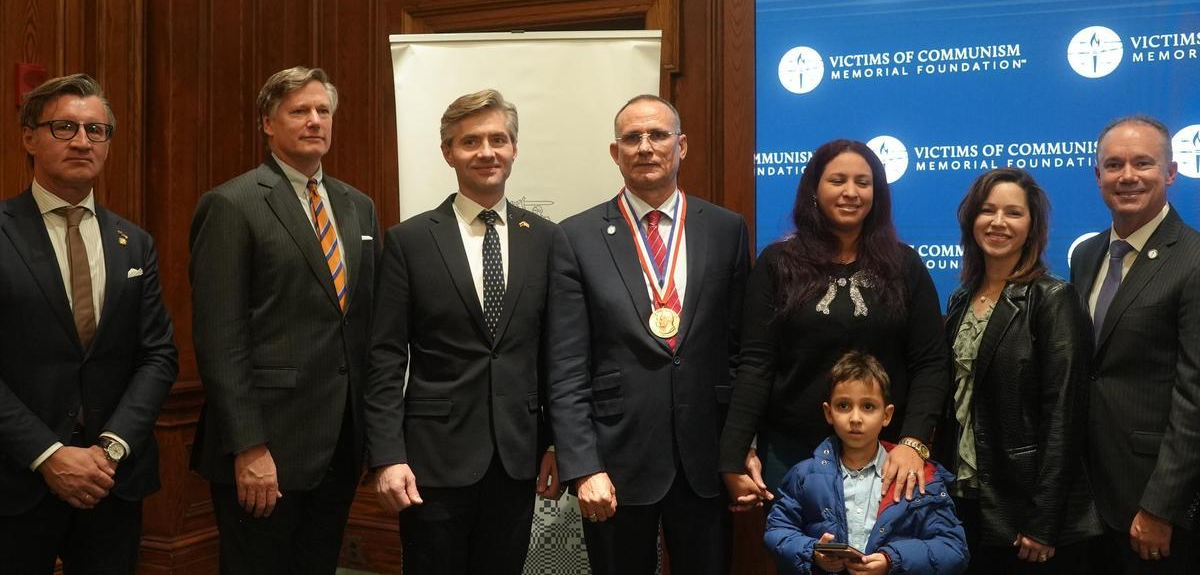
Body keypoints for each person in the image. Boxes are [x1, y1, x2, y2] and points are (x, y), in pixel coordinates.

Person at [547, 94, 751, 575]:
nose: (645, 147)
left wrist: (743, 447)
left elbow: (743, 352)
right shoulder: (576, 237)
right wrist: (583, 466)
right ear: (615, 153)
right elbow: (566, 365)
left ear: (682, 146)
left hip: (707, 458)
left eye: (658, 135)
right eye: (632, 138)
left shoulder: (726, 229)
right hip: (616, 460)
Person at [189, 66, 380, 574]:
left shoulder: (358, 207)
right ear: (268, 124)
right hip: (265, 448)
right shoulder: (233, 204)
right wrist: (249, 447)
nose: (315, 120)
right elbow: (219, 337)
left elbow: (362, 327)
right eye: (299, 111)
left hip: (339, 444)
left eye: (323, 111)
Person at [364, 89, 562, 575]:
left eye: (499, 139)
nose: (487, 152)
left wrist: (556, 443)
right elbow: (385, 356)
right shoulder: (409, 240)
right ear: (448, 152)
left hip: (517, 458)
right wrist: (387, 455)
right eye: (470, 141)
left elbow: (555, 352)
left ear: (515, 148)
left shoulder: (545, 238)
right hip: (431, 461)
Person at [0, 74, 179, 572]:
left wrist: (111, 447)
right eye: (64, 127)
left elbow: (158, 354)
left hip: (112, 481)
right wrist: (48, 454)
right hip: (16, 478)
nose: (82, 141)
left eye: (96, 130)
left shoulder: (134, 242)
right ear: (29, 137)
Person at [720, 139, 949, 510]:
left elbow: (931, 363)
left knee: (881, 563)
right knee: (803, 558)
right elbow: (756, 364)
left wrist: (913, 443)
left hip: (888, 455)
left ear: (877, 193)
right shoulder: (778, 263)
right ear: (814, 189)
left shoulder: (904, 265)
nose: (850, 192)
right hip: (793, 452)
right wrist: (733, 455)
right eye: (837, 180)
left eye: (863, 182)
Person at [939, 168, 1100, 573]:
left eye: (1013, 213)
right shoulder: (961, 299)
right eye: (987, 211)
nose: (997, 222)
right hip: (964, 498)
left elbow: (1064, 415)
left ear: (1032, 227)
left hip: (1022, 510)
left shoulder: (1052, 299)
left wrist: (1044, 519)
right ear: (971, 219)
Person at [1070, 115, 1200, 573]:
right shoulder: (1087, 255)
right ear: (1097, 175)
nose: (1127, 176)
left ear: (1170, 172)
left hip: (1152, 500)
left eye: (1143, 163)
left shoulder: (1194, 259)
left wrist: (1162, 506)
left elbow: (1195, 396)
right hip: (1085, 497)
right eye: (1114, 165)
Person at [766, 351, 968, 575]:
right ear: (828, 412)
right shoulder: (804, 475)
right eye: (843, 406)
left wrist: (892, 560)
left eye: (868, 407)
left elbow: (953, 548)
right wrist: (811, 551)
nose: (855, 418)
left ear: (887, 415)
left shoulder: (919, 477)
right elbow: (778, 529)